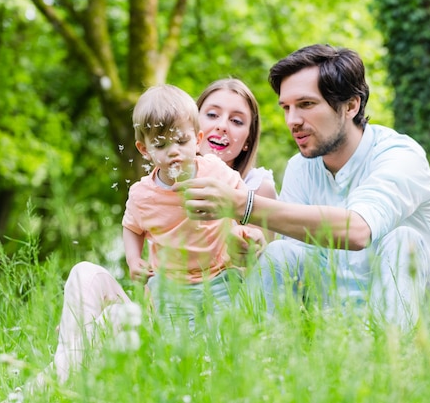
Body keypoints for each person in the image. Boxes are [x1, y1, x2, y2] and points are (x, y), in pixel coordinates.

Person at [175, 44, 430, 331]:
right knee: (279, 254)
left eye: (306, 105)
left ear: (351, 105)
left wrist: (243, 204)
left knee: (403, 241)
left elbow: (358, 230)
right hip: (338, 333)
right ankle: (238, 359)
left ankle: (396, 360)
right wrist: (254, 249)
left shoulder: (400, 155)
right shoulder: (300, 168)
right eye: (286, 108)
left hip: (423, 329)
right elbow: (295, 263)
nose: (292, 121)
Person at [16, 83, 270, 395]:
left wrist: (253, 237)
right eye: (213, 114)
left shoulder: (225, 177)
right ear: (145, 149)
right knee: (85, 276)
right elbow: (132, 226)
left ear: (196, 139)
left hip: (218, 283)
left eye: (236, 120)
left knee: (195, 342)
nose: (174, 151)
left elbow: (251, 219)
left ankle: (60, 380)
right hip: (168, 291)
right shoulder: (143, 193)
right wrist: (134, 260)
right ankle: (66, 369)